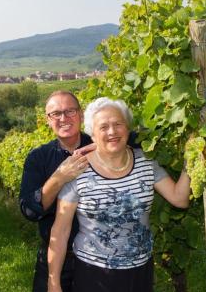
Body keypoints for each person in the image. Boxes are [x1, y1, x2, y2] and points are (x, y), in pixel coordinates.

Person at [48, 97, 191, 292]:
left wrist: (191, 159)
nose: (112, 132)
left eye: (118, 124)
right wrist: (53, 282)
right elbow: (60, 231)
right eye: (103, 127)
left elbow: (180, 199)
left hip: (140, 271)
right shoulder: (78, 171)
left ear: (127, 128)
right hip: (94, 274)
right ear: (92, 134)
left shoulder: (146, 162)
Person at [20, 90, 130, 291]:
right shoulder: (38, 158)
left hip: (98, 261)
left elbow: (133, 138)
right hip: (55, 260)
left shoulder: (104, 141)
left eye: (70, 111)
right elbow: (29, 211)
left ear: (80, 114)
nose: (64, 118)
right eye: (56, 114)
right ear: (48, 120)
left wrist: (99, 145)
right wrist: (59, 177)